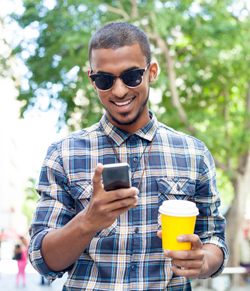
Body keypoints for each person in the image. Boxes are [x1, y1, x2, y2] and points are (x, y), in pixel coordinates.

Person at [28, 22, 229, 290]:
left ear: (152, 72)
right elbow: (43, 260)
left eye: (132, 76)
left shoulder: (194, 153)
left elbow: (214, 238)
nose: (119, 91)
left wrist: (203, 261)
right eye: (105, 80)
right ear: (92, 80)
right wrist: (88, 222)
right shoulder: (63, 154)